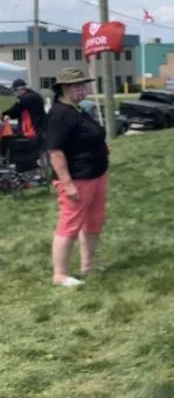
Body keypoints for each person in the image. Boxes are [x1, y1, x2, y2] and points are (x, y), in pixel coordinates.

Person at [44, 68, 109, 287]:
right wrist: (67, 183)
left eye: (84, 84)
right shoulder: (60, 114)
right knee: (69, 224)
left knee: (94, 221)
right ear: (65, 88)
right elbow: (55, 152)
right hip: (77, 178)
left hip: (95, 174)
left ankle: (88, 265)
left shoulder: (78, 110)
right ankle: (60, 275)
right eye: (78, 85)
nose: (84, 89)